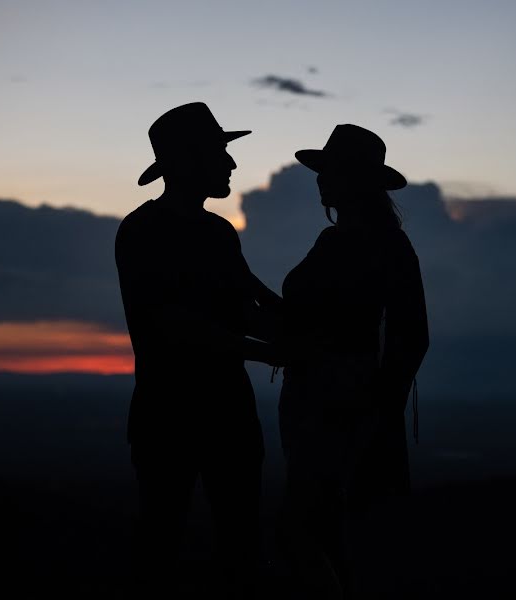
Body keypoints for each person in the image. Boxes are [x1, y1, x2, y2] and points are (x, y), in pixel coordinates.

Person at [115, 102, 281, 598]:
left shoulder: (218, 231)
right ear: (190, 161)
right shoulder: (143, 231)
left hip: (224, 413)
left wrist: (298, 337)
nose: (231, 164)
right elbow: (171, 325)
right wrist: (271, 351)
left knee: (237, 544)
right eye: (220, 153)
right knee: (165, 547)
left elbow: (245, 305)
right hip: (171, 415)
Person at [277, 124, 429, 597]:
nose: (321, 181)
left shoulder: (383, 244)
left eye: (331, 172)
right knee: (320, 527)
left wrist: (379, 409)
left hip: (340, 403)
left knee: (314, 529)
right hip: (315, 398)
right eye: (322, 172)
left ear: (356, 180)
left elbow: (413, 336)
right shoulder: (337, 240)